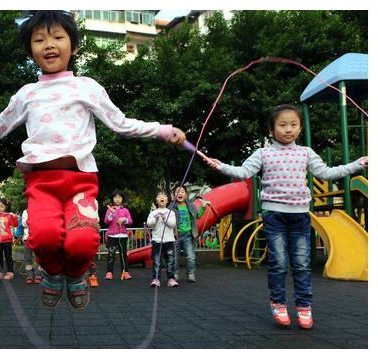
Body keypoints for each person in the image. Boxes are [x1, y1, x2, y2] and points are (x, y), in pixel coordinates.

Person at [0, 11, 186, 309]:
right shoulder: (27, 94)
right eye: (39, 40)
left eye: (58, 37)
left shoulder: (87, 87)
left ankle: (75, 274)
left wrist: (163, 130)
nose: (49, 44)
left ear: (73, 46)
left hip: (80, 182)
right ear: (31, 51)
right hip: (41, 183)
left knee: (81, 242)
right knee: (45, 237)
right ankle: (51, 272)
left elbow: (121, 123)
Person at [203, 104, 368, 329]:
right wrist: (220, 166)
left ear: (300, 128)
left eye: (293, 124)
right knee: (279, 263)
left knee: (301, 263)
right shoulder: (263, 153)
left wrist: (356, 164)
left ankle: (304, 307)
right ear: (271, 130)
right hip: (274, 215)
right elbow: (243, 172)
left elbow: (326, 173)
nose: (288, 129)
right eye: (282, 125)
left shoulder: (306, 153)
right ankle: (278, 303)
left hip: (300, 216)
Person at [168, 184, 210, 283]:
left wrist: (203, 207)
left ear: (186, 195)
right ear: (174, 195)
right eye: (177, 192)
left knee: (191, 256)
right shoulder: (171, 207)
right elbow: (167, 219)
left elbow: (198, 216)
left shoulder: (191, 206)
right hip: (175, 235)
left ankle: (191, 273)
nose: (180, 193)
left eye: (182, 191)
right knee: (175, 257)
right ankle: (175, 273)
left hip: (188, 235)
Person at [146, 192, 177, 287]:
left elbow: (172, 224)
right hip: (157, 241)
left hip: (169, 241)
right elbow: (149, 224)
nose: (162, 198)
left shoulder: (171, 212)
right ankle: (156, 279)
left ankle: (171, 279)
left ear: (167, 201)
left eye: (164, 196)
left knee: (170, 260)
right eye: (159, 196)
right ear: (156, 200)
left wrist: (164, 218)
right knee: (156, 261)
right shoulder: (153, 213)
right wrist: (155, 219)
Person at [104, 190, 133, 280]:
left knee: (123, 255)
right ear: (112, 199)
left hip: (123, 235)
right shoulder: (109, 210)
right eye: (115, 197)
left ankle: (125, 272)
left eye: (119, 197)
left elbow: (130, 221)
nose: (117, 199)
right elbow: (106, 221)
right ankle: (109, 272)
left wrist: (124, 219)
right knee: (111, 254)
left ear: (122, 199)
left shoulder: (125, 210)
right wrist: (112, 214)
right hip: (112, 235)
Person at [20, 208, 42, 284]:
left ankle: (38, 275)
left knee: (39, 258)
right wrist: (32, 218)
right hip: (27, 238)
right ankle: (30, 275)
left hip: (38, 238)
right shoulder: (26, 211)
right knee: (27, 258)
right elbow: (23, 224)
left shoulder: (41, 211)